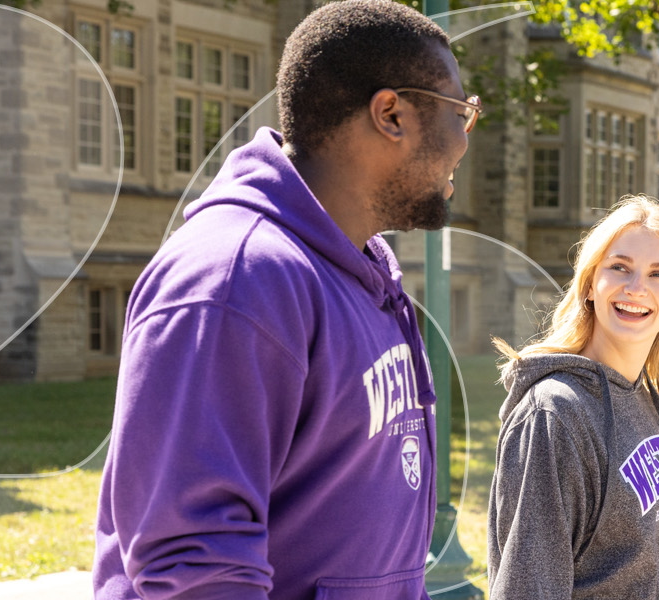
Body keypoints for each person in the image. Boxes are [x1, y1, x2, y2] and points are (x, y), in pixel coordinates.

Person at [92, 1, 481, 598]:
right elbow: (194, 564)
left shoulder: (361, 267)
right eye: (462, 111)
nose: (464, 136)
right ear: (391, 114)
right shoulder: (233, 280)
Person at [487, 196, 659, 598]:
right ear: (591, 284)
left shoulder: (643, 398)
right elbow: (529, 586)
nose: (636, 288)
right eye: (619, 268)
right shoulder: (555, 415)